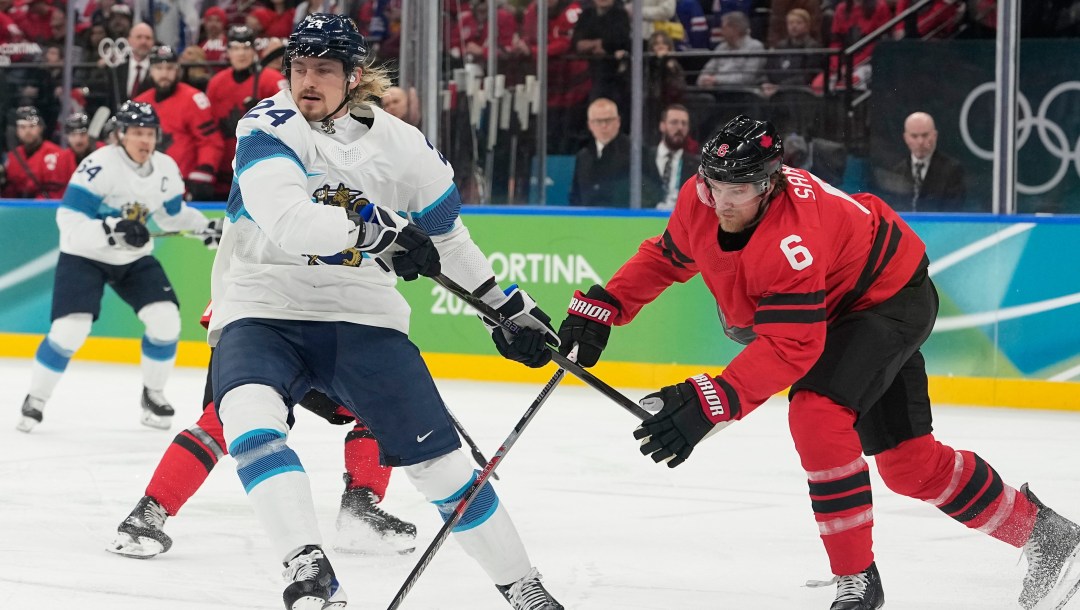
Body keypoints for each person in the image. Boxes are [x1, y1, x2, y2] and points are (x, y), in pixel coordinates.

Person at [556, 115, 1080, 610]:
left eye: (738, 190)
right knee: (909, 465)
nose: (721, 202)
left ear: (770, 184)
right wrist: (608, 304)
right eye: (714, 186)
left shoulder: (793, 238)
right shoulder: (705, 195)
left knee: (816, 414)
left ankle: (858, 579)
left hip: (887, 301)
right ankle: (1047, 534)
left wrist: (711, 401)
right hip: (843, 301)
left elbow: (792, 347)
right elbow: (670, 254)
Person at [209, 14, 564, 610]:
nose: (307, 83)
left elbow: (448, 240)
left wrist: (503, 309)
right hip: (263, 303)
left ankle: (524, 586)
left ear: (356, 77)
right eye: (298, 69)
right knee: (248, 418)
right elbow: (292, 223)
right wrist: (377, 232)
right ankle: (308, 568)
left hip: (361, 314)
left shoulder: (403, 146)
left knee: (444, 470)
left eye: (324, 70)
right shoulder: (268, 122)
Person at [16, 101, 221, 434]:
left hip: (132, 258)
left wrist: (204, 227)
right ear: (120, 135)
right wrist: (112, 230)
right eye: (138, 133)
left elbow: (172, 215)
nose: (146, 141)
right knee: (71, 329)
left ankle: (152, 395)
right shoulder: (98, 165)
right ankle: (35, 399)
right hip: (84, 254)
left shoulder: (166, 167)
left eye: (150, 133)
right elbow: (68, 219)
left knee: (166, 320)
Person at [108, 346, 418, 559]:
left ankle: (359, 511)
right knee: (225, 419)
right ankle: (148, 512)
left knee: (380, 405)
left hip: (316, 324)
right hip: (254, 319)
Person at [134, 44, 225, 202]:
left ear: (178, 71)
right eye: (159, 68)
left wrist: (202, 176)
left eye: (169, 68)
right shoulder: (139, 103)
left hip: (182, 187)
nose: (164, 74)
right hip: (145, 186)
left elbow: (210, 142)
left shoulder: (194, 99)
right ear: (150, 71)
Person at [206, 24, 288, 198]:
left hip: (260, 165)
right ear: (227, 52)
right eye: (235, 48)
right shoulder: (216, 83)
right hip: (224, 170)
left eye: (246, 47)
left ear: (254, 51)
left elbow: (289, 122)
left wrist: (265, 113)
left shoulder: (273, 80)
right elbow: (210, 127)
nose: (241, 54)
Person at [876, 111, 967, 212]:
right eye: (914, 136)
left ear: (935, 136)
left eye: (925, 135)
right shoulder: (897, 171)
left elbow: (953, 210)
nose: (920, 142)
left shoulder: (952, 170)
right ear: (906, 138)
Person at [568, 97, 630, 207]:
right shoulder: (583, 157)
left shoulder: (635, 153)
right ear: (590, 125)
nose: (604, 126)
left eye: (608, 120)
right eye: (598, 121)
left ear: (618, 122)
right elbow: (575, 197)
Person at [2, 105, 74, 199]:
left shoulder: (57, 154)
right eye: (22, 127)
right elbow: (8, 193)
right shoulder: (12, 157)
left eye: (32, 126)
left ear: (40, 128)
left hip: (45, 208)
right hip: (16, 208)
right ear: (17, 131)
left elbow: (59, 191)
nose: (27, 131)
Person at [642, 104, 698, 209]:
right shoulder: (643, 159)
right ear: (662, 126)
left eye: (684, 124)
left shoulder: (696, 167)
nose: (680, 127)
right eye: (674, 122)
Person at [695, 11, 765, 87]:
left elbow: (747, 78)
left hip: (741, 92)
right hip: (716, 89)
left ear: (735, 29)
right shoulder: (721, 47)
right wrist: (703, 80)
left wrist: (716, 80)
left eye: (723, 28)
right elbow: (707, 71)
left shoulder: (755, 47)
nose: (721, 32)